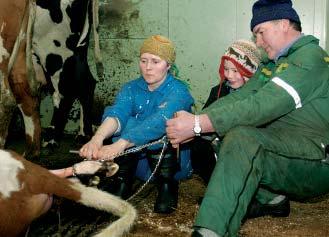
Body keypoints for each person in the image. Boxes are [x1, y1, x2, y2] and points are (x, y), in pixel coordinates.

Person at [166, 0, 329, 236]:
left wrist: (198, 125)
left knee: (242, 139)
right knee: (219, 135)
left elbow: (261, 106)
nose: (258, 43)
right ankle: (273, 201)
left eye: (260, 33)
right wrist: (195, 120)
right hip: (285, 150)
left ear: (283, 24)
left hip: (315, 160)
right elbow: (241, 98)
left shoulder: (309, 60)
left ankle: (211, 231)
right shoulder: (273, 65)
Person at [79, 35, 194, 214]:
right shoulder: (131, 88)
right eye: (143, 60)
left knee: (165, 127)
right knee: (127, 120)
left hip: (170, 168)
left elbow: (160, 121)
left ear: (168, 65)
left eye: (155, 61)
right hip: (138, 164)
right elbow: (117, 113)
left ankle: (167, 187)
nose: (148, 68)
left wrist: (119, 144)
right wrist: (97, 139)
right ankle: (123, 181)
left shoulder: (179, 91)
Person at [191, 39, 261, 184]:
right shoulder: (218, 91)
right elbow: (205, 117)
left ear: (249, 71)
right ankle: (214, 187)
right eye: (226, 69)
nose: (229, 75)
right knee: (198, 145)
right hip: (218, 141)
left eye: (236, 71)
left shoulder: (258, 95)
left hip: (244, 144)